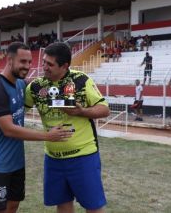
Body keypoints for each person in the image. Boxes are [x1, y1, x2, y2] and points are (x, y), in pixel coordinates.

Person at [0, 42, 71, 213]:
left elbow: (43, 88)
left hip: (16, 161)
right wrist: (47, 136)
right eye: (22, 62)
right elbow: (9, 129)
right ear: (10, 60)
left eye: (29, 62)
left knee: (13, 205)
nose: (27, 66)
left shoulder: (22, 85)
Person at [25, 42, 110, 213]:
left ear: (64, 66)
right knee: (62, 204)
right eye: (44, 62)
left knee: (93, 206)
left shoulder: (81, 80)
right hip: (53, 158)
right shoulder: (35, 87)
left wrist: (81, 111)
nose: (44, 67)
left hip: (83, 156)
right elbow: (18, 111)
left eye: (50, 64)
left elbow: (104, 109)